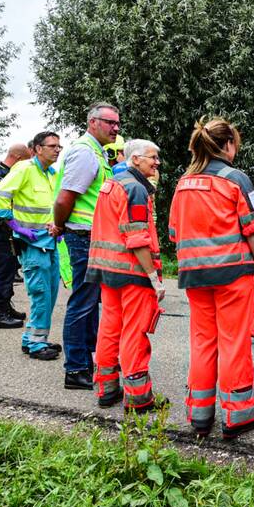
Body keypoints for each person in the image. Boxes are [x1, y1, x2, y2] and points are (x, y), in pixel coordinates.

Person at [170, 117, 254, 440]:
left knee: (202, 343)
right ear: (227, 145)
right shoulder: (236, 179)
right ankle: (237, 416)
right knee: (234, 343)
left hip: (195, 277)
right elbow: (253, 231)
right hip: (233, 275)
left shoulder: (183, 183)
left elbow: (173, 233)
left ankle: (200, 416)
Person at [87, 139, 166, 412]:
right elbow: (137, 238)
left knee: (109, 328)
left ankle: (107, 388)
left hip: (107, 271)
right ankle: (138, 397)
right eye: (152, 158)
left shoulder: (113, 183)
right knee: (134, 331)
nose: (157, 163)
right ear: (135, 160)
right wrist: (153, 277)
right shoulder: (135, 189)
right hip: (132, 272)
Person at [53, 102, 120, 390]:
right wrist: (59, 224)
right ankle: (76, 369)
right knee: (82, 304)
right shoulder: (85, 152)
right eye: (109, 122)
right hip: (82, 237)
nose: (115, 128)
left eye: (117, 123)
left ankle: (88, 361)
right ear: (92, 122)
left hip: (92, 236)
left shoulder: (97, 152)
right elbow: (65, 197)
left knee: (90, 303)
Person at [0, 131, 63, 361]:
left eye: (59, 146)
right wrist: (17, 227)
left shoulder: (53, 173)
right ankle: (35, 343)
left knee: (50, 294)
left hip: (51, 242)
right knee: (41, 294)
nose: (57, 150)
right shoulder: (24, 169)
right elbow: (0, 195)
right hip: (32, 244)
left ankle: (33, 338)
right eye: (52, 146)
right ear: (38, 148)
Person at [0, 143, 32, 328]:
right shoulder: (4, 176)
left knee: (9, 269)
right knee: (4, 271)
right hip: (1, 228)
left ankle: (6, 306)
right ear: (19, 159)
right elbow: (5, 204)